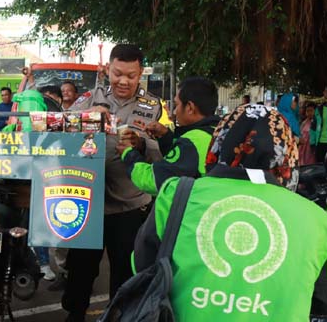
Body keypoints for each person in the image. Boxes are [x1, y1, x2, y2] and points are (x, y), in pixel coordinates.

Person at [133, 104, 327, 320]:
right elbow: (320, 297)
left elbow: (141, 266)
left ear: (220, 142)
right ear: (286, 152)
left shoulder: (176, 194)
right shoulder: (317, 219)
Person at [63, 44, 163, 321]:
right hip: (87, 201)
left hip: (129, 204)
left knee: (124, 272)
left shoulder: (154, 106)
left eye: (131, 76)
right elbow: (59, 132)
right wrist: (84, 118)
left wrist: (142, 143)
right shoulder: (88, 98)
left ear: (140, 73)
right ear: (108, 69)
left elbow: (164, 149)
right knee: (81, 270)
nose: (123, 81)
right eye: (118, 73)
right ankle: (75, 314)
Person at [116, 76, 220, 195]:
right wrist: (166, 136)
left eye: (177, 105)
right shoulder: (217, 132)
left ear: (190, 108)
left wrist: (128, 154)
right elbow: (185, 164)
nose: (174, 112)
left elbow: (154, 180)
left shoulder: (192, 142)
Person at [314, 86, 327, 162]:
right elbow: (313, 126)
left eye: (326, 91)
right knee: (320, 167)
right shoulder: (319, 108)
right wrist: (313, 142)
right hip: (320, 142)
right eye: (325, 91)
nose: (324, 92)